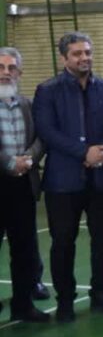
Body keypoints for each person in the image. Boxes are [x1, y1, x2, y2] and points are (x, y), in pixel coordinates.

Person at [33, 32, 103, 322]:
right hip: (63, 182)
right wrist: (84, 152)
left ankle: (101, 294)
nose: (84, 58)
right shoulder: (47, 91)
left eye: (87, 52)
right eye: (77, 53)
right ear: (64, 58)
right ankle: (65, 301)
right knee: (63, 243)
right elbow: (47, 131)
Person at [0, 46, 49, 322]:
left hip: (23, 187)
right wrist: (9, 163)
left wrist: (28, 159)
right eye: (1, 67)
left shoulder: (27, 105)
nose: (6, 73)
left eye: (11, 68)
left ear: (19, 72)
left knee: (24, 250)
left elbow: (40, 138)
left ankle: (23, 304)